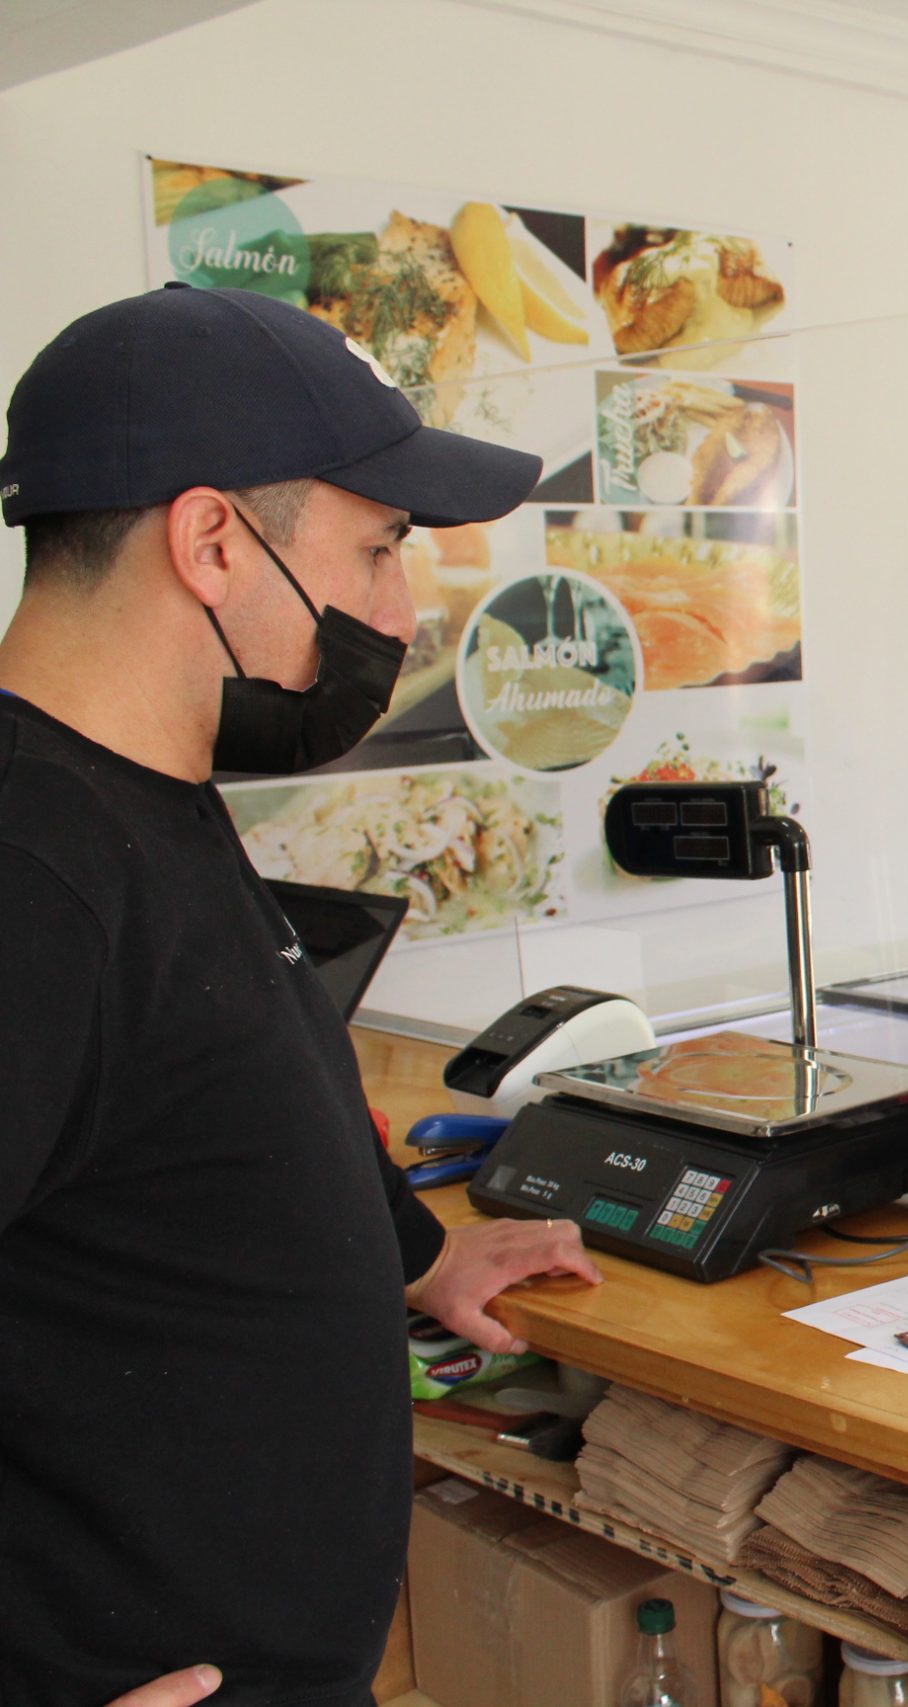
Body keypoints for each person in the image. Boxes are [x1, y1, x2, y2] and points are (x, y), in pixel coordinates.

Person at [0, 285, 602, 1707]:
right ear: (214, 538)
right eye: (380, 548)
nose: (401, 610)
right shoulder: (31, 862)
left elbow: (203, 1102)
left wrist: (410, 1255)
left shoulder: (148, 796)